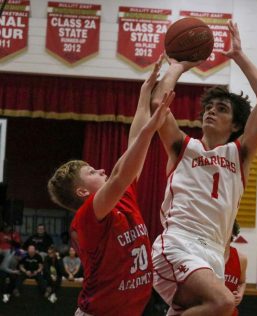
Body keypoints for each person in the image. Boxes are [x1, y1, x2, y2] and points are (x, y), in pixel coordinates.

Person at [151, 20, 257, 315]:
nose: (211, 111)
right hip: (179, 240)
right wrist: (178, 67)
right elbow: (158, 103)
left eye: (221, 109)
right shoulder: (183, 147)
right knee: (222, 303)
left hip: (214, 252)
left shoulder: (240, 153)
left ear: (235, 125)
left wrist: (240, 56)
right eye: (209, 107)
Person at [47, 59, 174, 316]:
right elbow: (118, 174)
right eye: (92, 172)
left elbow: (132, 148)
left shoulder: (122, 197)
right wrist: (151, 129)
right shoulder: (88, 217)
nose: (102, 170)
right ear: (83, 192)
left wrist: (143, 96)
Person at [224, 221, 247, 316]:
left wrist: (240, 295)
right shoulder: (206, 256)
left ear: (233, 232)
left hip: (230, 312)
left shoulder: (241, 259)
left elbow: (242, 282)